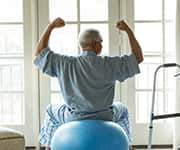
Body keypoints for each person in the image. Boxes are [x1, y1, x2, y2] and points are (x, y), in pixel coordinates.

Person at [34, 17, 143, 150]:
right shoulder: (109, 64)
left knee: (51, 110)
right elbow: (138, 57)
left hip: (73, 117)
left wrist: (50, 27)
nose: (102, 46)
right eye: (101, 43)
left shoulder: (66, 63)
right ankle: (127, 145)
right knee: (123, 109)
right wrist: (128, 31)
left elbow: (40, 53)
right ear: (94, 44)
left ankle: (49, 146)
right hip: (105, 116)